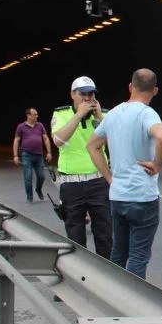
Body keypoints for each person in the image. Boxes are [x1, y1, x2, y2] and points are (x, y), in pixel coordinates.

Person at [87, 69, 162, 279]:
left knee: (118, 253)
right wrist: (157, 163)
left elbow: (92, 146)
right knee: (138, 257)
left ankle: (114, 296)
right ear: (155, 91)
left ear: (130, 87)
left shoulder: (113, 113)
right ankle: (133, 306)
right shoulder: (146, 113)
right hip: (143, 196)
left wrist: (108, 177)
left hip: (118, 196)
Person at [51, 76, 112, 259]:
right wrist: (78, 115)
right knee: (75, 236)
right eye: (82, 94)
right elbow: (59, 141)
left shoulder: (104, 116)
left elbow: (115, 143)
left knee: (105, 234)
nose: (87, 98)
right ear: (72, 95)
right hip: (72, 184)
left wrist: (99, 117)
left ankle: (107, 275)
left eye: (91, 94)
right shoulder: (61, 114)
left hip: (98, 182)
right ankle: (81, 274)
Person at [13, 107, 52, 203]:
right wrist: (15, 155)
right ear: (28, 115)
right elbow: (16, 141)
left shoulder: (40, 125)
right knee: (28, 176)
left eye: (37, 114)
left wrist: (49, 152)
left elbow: (46, 138)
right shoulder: (21, 127)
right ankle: (29, 196)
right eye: (35, 114)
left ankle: (38, 189)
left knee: (41, 176)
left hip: (39, 155)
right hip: (26, 155)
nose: (37, 116)